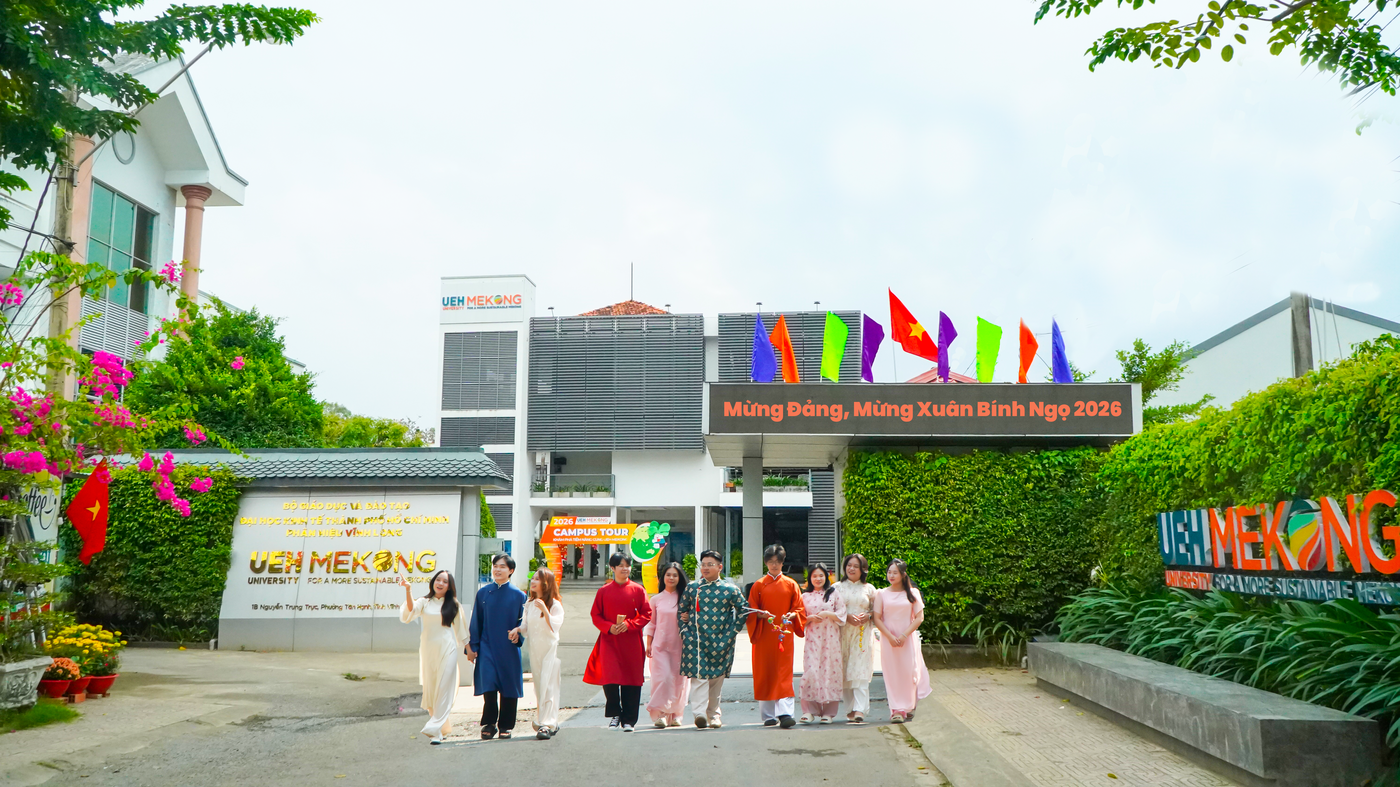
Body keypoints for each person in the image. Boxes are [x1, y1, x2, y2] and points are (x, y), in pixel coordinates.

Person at [583, 551, 653, 732]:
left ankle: (629, 719)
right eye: (621, 565)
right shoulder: (603, 591)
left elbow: (647, 613)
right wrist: (609, 627)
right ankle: (615, 714)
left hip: (631, 641)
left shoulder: (638, 590)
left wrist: (629, 624)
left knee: (631, 679)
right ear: (612, 568)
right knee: (610, 678)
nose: (625, 569)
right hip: (609, 641)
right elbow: (595, 615)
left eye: (627, 565)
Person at [678, 549, 747, 729]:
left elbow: (743, 610)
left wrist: (732, 632)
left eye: (710, 564)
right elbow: (681, 610)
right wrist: (685, 632)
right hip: (696, 640)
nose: (706, 568)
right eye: (703, 564)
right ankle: (699, 714)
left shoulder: (730, 589)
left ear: (720, 567)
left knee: (716, 679)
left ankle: (714, 715)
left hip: (722, 640)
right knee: (698, 678)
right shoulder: (693, 588)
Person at [398, 569, 468, 744]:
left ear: (449, 586)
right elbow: (410, 612)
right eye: (438, 580)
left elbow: (462, 630)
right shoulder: (425, 602)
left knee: (444, 687)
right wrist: (408, 589)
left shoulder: (454, 604)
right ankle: (439, 729)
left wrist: (470, 650)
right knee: (432, 689)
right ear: (433, 582)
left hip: (448, 648)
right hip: (429, 650)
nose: (441, 583)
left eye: (445, 581)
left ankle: (433, 728)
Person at [467, 553, 527, 739]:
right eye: (495, 566)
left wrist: (518, 636)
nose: (497, 570)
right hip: (487, 646)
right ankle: (489, 723)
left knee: (509, 685)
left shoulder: (519, 596)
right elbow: (476, 621)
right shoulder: (483, 593)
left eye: (502, 566)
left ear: (511, 571)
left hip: (509, 648)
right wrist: (473, 646)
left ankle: (506, 725)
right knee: (489, 684)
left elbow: (524, 623)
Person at [747, 544, 806, 729]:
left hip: (783, 634)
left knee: (783, 673)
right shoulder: (758, 585)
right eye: (771, 561)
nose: (774, 565)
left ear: (782, 563)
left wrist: (792, 615)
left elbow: (799, 608)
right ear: (766, 562)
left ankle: (786, 713)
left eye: (777, 562)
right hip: (764, 635)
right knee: (765, 671)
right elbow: (751, 611)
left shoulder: (791, 584)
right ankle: (768, 715)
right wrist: (760, 614)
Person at [874, 558, 932, 723]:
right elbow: (877, 618)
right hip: (888, 640)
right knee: (892, 674)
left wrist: (904, 635)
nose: (891, 575)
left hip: (907, 639)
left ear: (903, 574)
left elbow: (919, 617)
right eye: (889, 572)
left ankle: (909, 705)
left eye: (895, 572)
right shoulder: (881, 594)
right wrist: (889, 636)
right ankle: (897, 710)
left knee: (909, 672)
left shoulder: (912, 593)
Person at [643, 562, 690, 728]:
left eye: (675, 575)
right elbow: (651, 623)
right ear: (662, 577)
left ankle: (677, 714)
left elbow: (694, 619)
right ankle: (661, 714)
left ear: (680, 578)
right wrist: (649, 644)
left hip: (680, 645)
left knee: (679, 681)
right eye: (668, 574)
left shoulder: (685, 598)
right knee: (662, 679)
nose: (671, 578)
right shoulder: (655, 599)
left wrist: (688, 618)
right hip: (660, 646)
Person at [798, 563, 846, 724]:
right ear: (809, 578)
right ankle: (809, 711)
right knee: (811, 671)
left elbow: (842, 614)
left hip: (830, 639)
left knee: (830, 671)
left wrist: (827, 614)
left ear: (826, 577)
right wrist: (809, 618)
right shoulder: (805, 596)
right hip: (813, 639)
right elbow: (800, 618)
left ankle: (829, 712)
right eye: (814, 576)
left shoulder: (834, 593)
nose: (818, 579)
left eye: (821, 575)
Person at [523, 567, 564, 740]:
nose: (533, 582)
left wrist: (545, 611)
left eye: (537, 579)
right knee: (540, 686)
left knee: (549, 685)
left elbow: (555, 625)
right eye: (532, 578)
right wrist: (516, 630)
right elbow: (526, 627)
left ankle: (548, 723)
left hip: (549, 651)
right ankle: (544, 720)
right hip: (535, 651)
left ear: (546, 583)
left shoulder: (555, 604)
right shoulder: (529, 604)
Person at [835, 553, 878, 723]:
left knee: (860, 669)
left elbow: (878, 611)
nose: (851, 569)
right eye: (849, 565)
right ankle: (850, 709)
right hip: (842, 633)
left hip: (862, 633)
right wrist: (846, 617)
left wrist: (868, 616)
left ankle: (860, 709)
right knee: (845, 670)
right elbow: (831, 610)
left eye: (856, 566)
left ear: (863, 570)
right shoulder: (837, 588)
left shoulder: (870, 589)